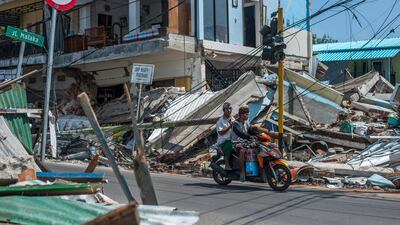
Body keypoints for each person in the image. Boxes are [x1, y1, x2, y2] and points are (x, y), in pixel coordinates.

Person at [231, 105, 274, 182]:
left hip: (246, 142)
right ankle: (242, 172)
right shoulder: (235, 123)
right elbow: (240, 133)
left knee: (259, 149)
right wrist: (249, 137)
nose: (247, 115)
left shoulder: (246, 123)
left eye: (247, 114)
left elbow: (251, 130)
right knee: (242, 151)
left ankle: (260, 172)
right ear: (241, 114)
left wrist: (258, 135)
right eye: (245, 114)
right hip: (236, 143)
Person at [216, 102, 234, 170]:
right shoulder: (220, 120)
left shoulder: (233, 119)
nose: (229, 110)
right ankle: (226, 165)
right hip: (223, 141)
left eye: (230, 108)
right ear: (224, 110)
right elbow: (220, 133)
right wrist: (230, 126)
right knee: (230, 145)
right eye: (227, 109)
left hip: (233, 139)